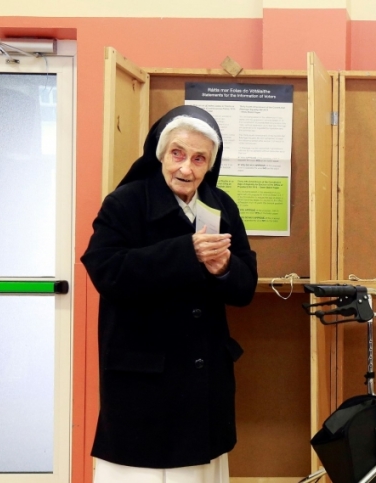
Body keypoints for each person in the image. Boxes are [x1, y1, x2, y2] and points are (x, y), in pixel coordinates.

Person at [81, 105, 258, 483]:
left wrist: (225, 269)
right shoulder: (125, 203)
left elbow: (245, 288)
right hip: (144, 380)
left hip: (203, 379)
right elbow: (105, 270)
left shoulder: (221, 206)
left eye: (199, 158)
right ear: (161, 153)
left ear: (210, 164)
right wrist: (185, 253)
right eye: (177, 154)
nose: (186, 168)